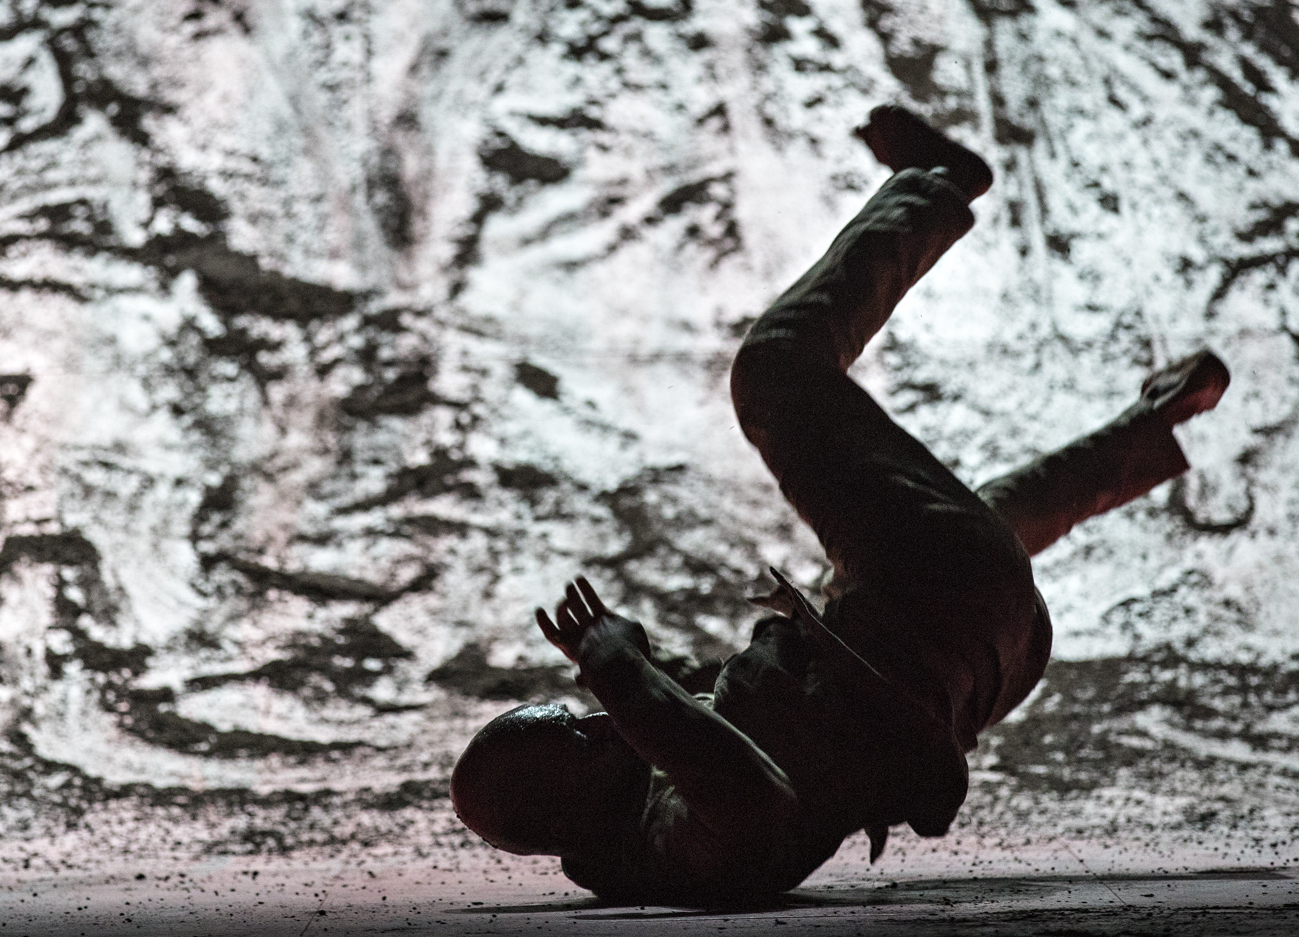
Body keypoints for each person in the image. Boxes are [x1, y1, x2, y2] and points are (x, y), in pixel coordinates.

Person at [448, 104, 1230, 905]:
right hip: (927, 622)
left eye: (583, 715)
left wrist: (647, 667)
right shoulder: (670, 848)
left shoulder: (653, 804)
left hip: (976, 646)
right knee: (775, 371)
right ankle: (934, 185)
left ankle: (1152, 424)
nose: (599, 720)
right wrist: (619, 673)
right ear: (560, 808)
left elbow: (734, 728)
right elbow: (751, 799)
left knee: (974, 525)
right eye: (579, 739)